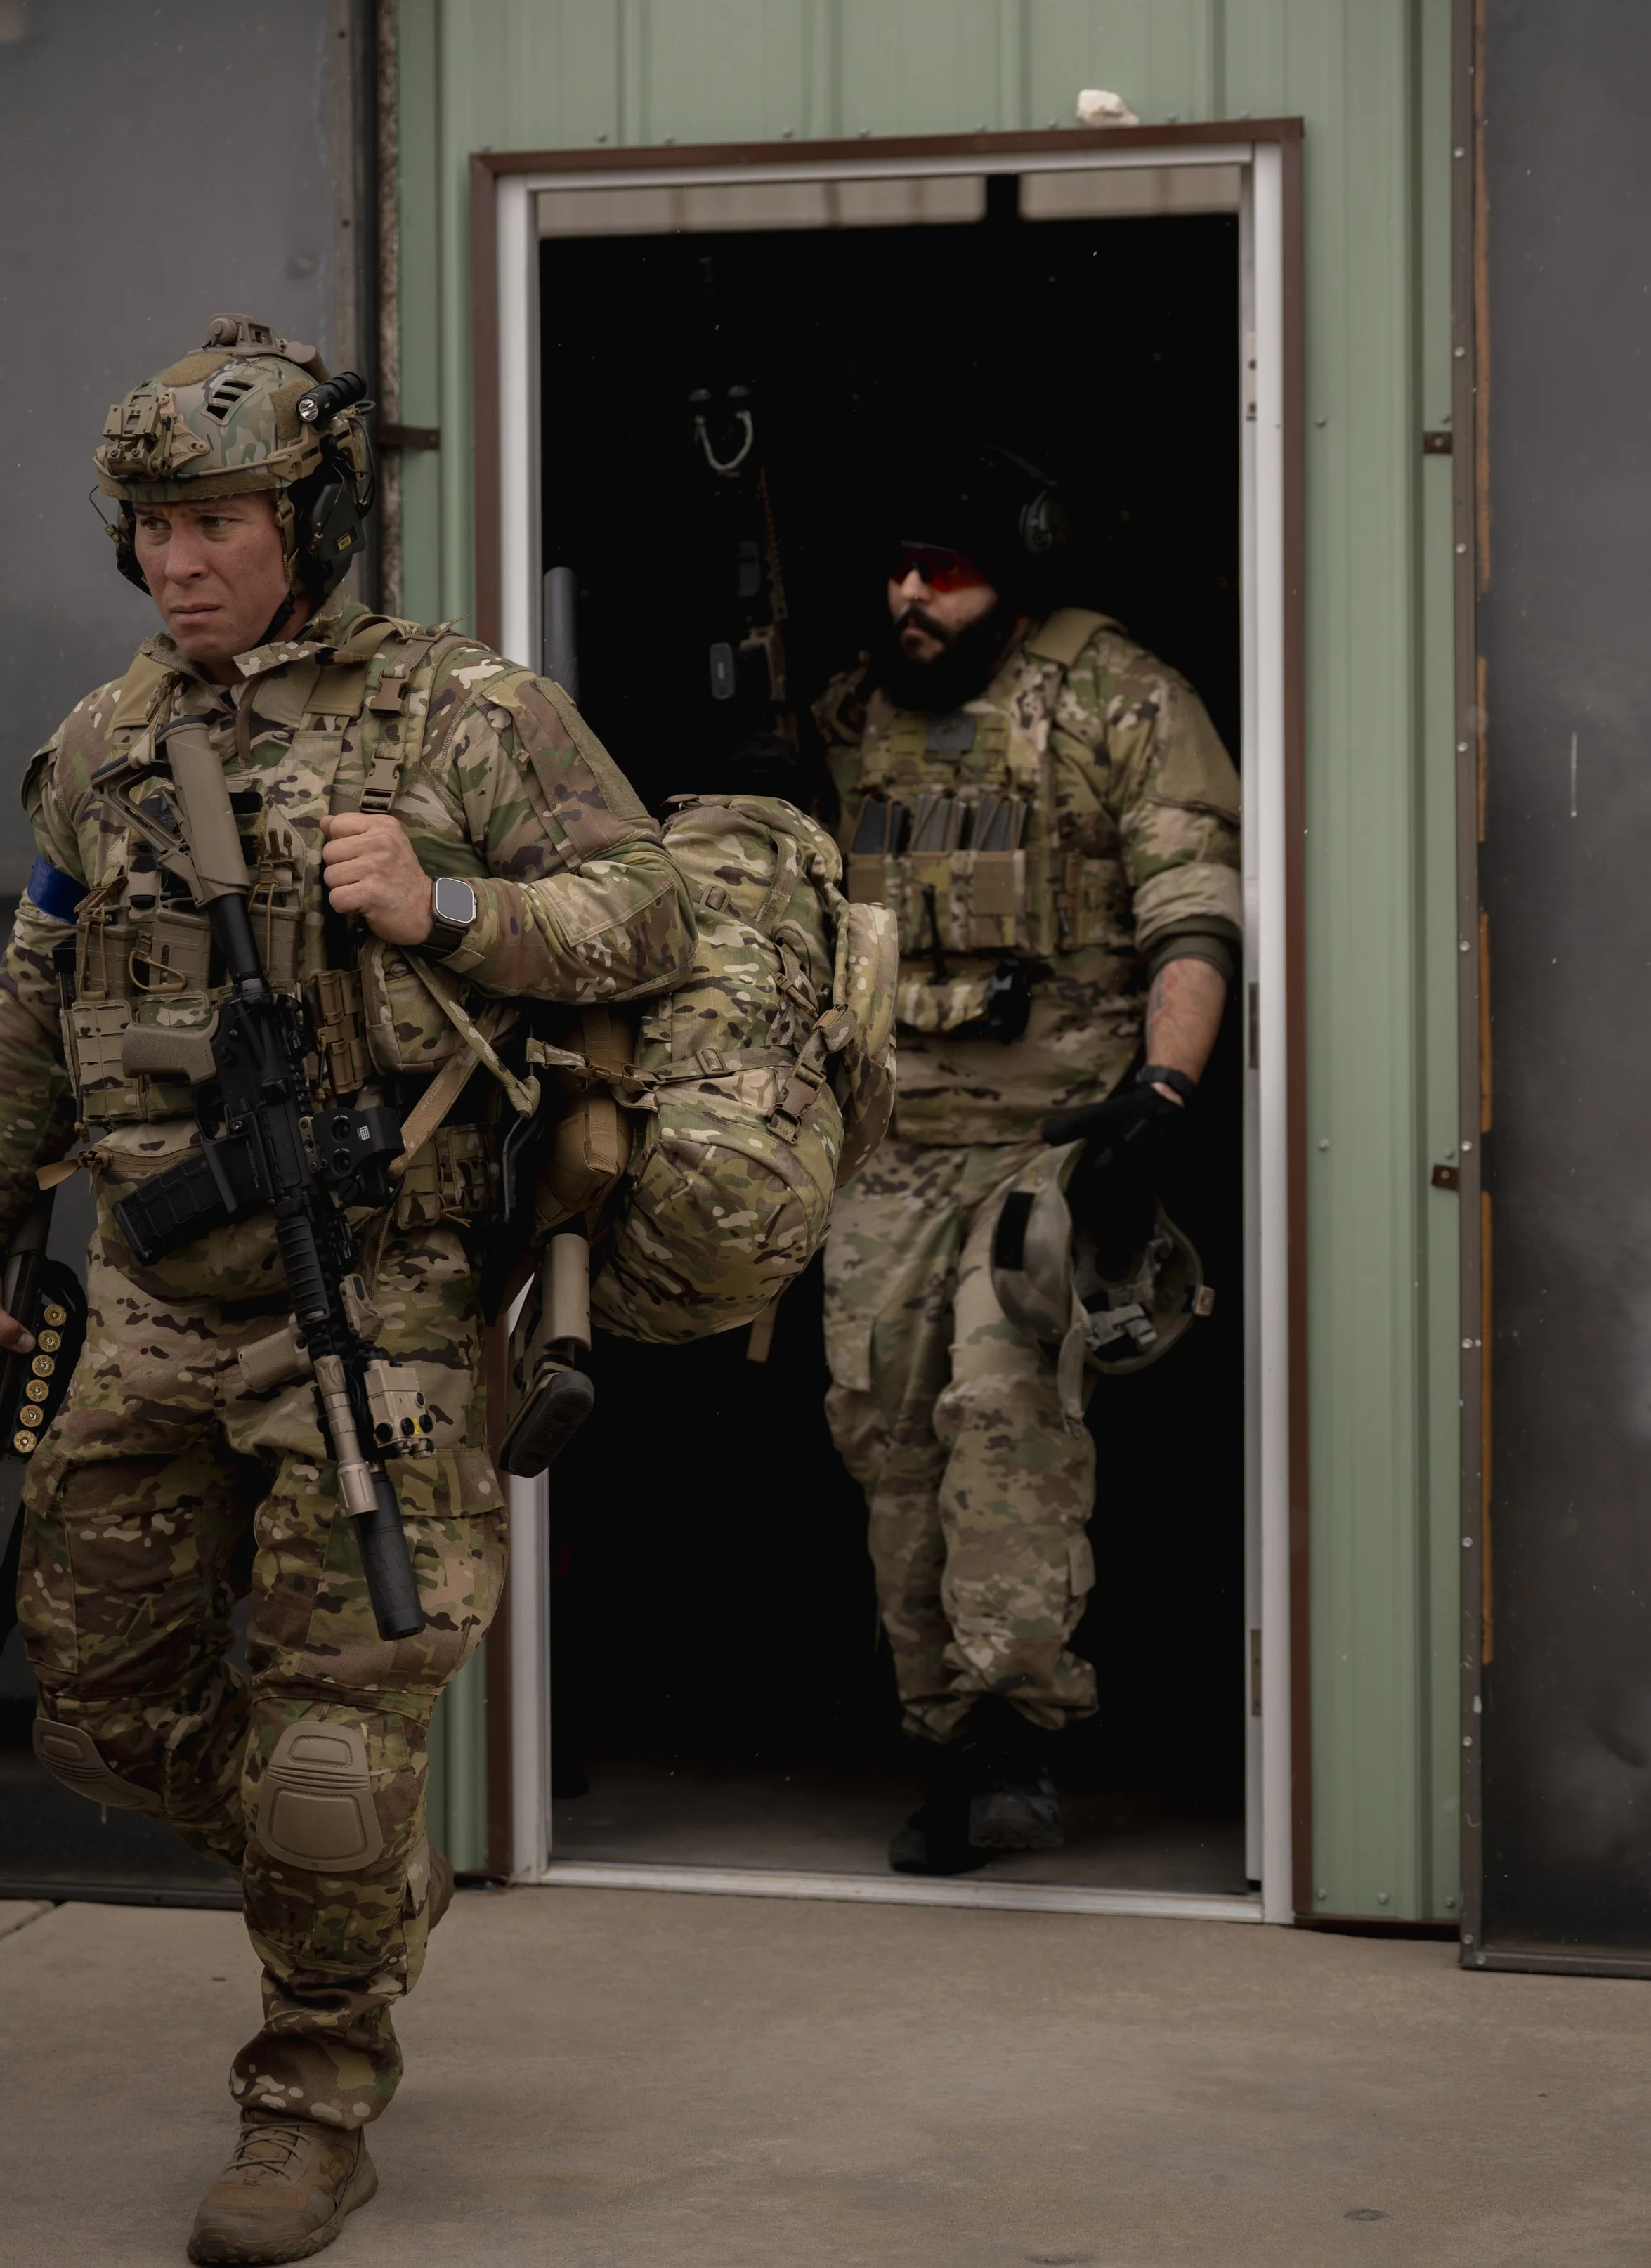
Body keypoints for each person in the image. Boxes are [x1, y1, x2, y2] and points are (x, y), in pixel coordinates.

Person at [0, 316, 693, 2263]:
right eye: (148, 525)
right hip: (148, 1291)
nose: (178, 560)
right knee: (96, 1710)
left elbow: (650, 908)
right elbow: (36, 1009)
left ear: (308, 517)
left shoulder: (459, 710)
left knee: (329, 1726)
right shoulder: (100, 743)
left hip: (371, 1299)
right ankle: (360, 1868)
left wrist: (449, 903)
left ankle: (307, 2095)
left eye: (216, 518)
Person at [813, 447, 1241, 1875]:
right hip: (888, 1143)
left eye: (943, 567)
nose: (911, 595)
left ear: (1017, 565)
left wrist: (1162, 1093)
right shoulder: (852, 714)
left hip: (1050, 1137)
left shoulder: (1117, 699)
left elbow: (1193, 911)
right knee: (881, 1435)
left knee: (997, 1410)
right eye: (895, 568)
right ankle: (940, 1738)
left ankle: (1014, 1736)